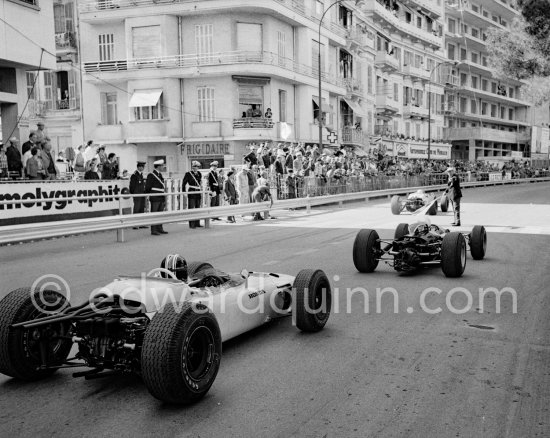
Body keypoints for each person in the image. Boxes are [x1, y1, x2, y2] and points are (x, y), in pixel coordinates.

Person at [145, 159, 168, 235]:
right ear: (158, 166)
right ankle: (154, 230)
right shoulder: (151, 175)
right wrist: (148, 196)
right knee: (154, 214)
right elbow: (148, 187)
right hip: (155, 196)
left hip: (160, 196)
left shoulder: (160, 175)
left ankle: (160, 228)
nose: (163, 167)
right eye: (162, 165)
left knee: (160, 214)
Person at [181, 161, 204, 229]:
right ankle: (191, 224)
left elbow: (200, 182)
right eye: (195, 167)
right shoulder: (188, 174)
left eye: (197, 167)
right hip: (192, 191)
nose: (196, 168)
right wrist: (184, 191)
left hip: (198, 191)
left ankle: (197, 223)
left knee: (198, 208)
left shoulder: (199, 173)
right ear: (192, 167)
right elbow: (184, 183)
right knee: (191, 208)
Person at [129, 161, 148, 229]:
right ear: (139, 167)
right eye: (142, 167)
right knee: (136, 209)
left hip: (141, 194)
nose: (143, 168)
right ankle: (135, 224)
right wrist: (134, 193)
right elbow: (132, 186)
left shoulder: (140, 174)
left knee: (141, 209)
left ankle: (141, 223)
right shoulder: (134, 175)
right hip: (137, 194)